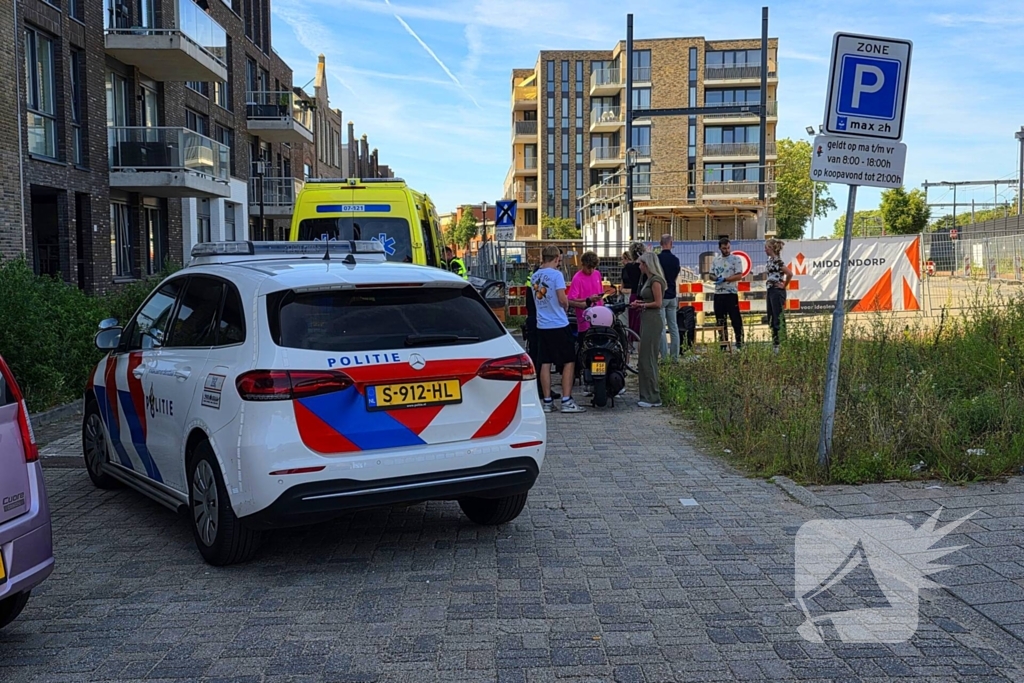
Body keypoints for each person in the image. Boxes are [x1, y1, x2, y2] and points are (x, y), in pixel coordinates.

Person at [530, 246, 584, 413]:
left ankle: (547, 401)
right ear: (555, 258)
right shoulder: (556, 275)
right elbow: (562, 299)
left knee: (545, 362)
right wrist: (566, 304)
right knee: (569, 360)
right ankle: (566, 400)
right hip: (558, 323)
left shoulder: (535, 276)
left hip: (542, 324)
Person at [631, 252, 667, 408]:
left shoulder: (655, 280)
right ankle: (646, 395)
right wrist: (641, 303)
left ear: (647, 264)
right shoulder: (649, 279)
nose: (639, 266)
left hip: (653, 320)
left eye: (641, 264)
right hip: (647, 319)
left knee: (648, 358)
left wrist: (643, 305)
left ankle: (653, 397)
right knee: (644, 358)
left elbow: (658, 303)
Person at [710, 237, 745, 349]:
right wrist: (716, 278)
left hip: (731, 293)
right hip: (718, 293)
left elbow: (739, 275)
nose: (727, 250)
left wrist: (726, 279)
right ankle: (723, 343)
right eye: (724, 248)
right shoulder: (716, 260)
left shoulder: (735, 259)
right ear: (720, 248)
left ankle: (739, 341)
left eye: (728, 248)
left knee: (735, 318)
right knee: (720, 319)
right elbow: (710, 274)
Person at [764, 238, 794, 352]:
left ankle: (781, 343)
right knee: (771, 317)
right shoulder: (770, 260)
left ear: (771, 248)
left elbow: (789, 273)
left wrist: (784, 285)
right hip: (770, 290)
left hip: (777, 291)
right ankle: (775, 342)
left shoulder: (777, 261)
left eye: (766, 247)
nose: (765, 250)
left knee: (778, 317)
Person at [657, 234, 681, 361]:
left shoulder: (657, 259)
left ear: (661, 244)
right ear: (671, 244)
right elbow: (675, 276)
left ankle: (664, 358)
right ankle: (675, 357)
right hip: (672, 295)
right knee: (673, 327)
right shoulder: (675, 260)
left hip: (661, 295)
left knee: (661, 328)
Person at [622, 241, 645, 340]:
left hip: (633, 294)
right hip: (644, 296)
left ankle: (632, 343)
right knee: (642, 325)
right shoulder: (645, 266)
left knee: (632, 323)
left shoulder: (628, 267)